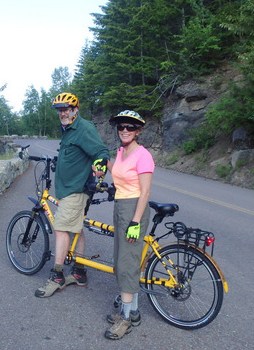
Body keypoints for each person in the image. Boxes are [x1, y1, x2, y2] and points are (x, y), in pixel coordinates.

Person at [35, 92, 110, 298]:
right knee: (76, 230)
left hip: (76, 190)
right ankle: (79, 272)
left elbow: (101, 151)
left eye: (66, 109)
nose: (63, 113)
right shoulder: (67, 129)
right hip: (68, 189)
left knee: (61, 229)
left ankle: (57, 276)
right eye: (59, 110)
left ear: (75, 110)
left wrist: (99, 164)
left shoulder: (83, 128)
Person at [97, 110, 154, 340]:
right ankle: (134, 311)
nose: (125, 130)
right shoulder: (121, 152)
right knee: (122, 261)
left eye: (130, 127)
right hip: (120, 207)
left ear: (138, 131)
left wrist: (135, 222)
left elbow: (145, 191)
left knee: (127, 263)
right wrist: (106, 164)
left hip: (133, 210)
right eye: (121, 126)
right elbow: (120, 174)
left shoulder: (143, 155)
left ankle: (126, 319)